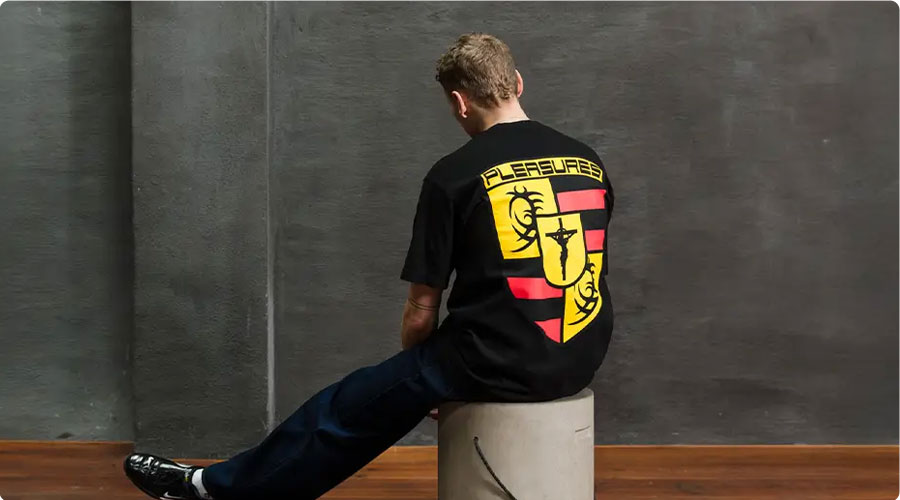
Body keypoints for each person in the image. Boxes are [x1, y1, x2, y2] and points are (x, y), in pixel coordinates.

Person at [124, 32, 615, 500]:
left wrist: (420, 380)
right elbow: (586, 273)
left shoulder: (453, 175)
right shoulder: (587, 161)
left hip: (493, 360)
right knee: (394, 386)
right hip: (579, 356)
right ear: (518, 83)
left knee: (346, 409)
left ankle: (212, 488)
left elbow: (422, 309)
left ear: (459, 102)